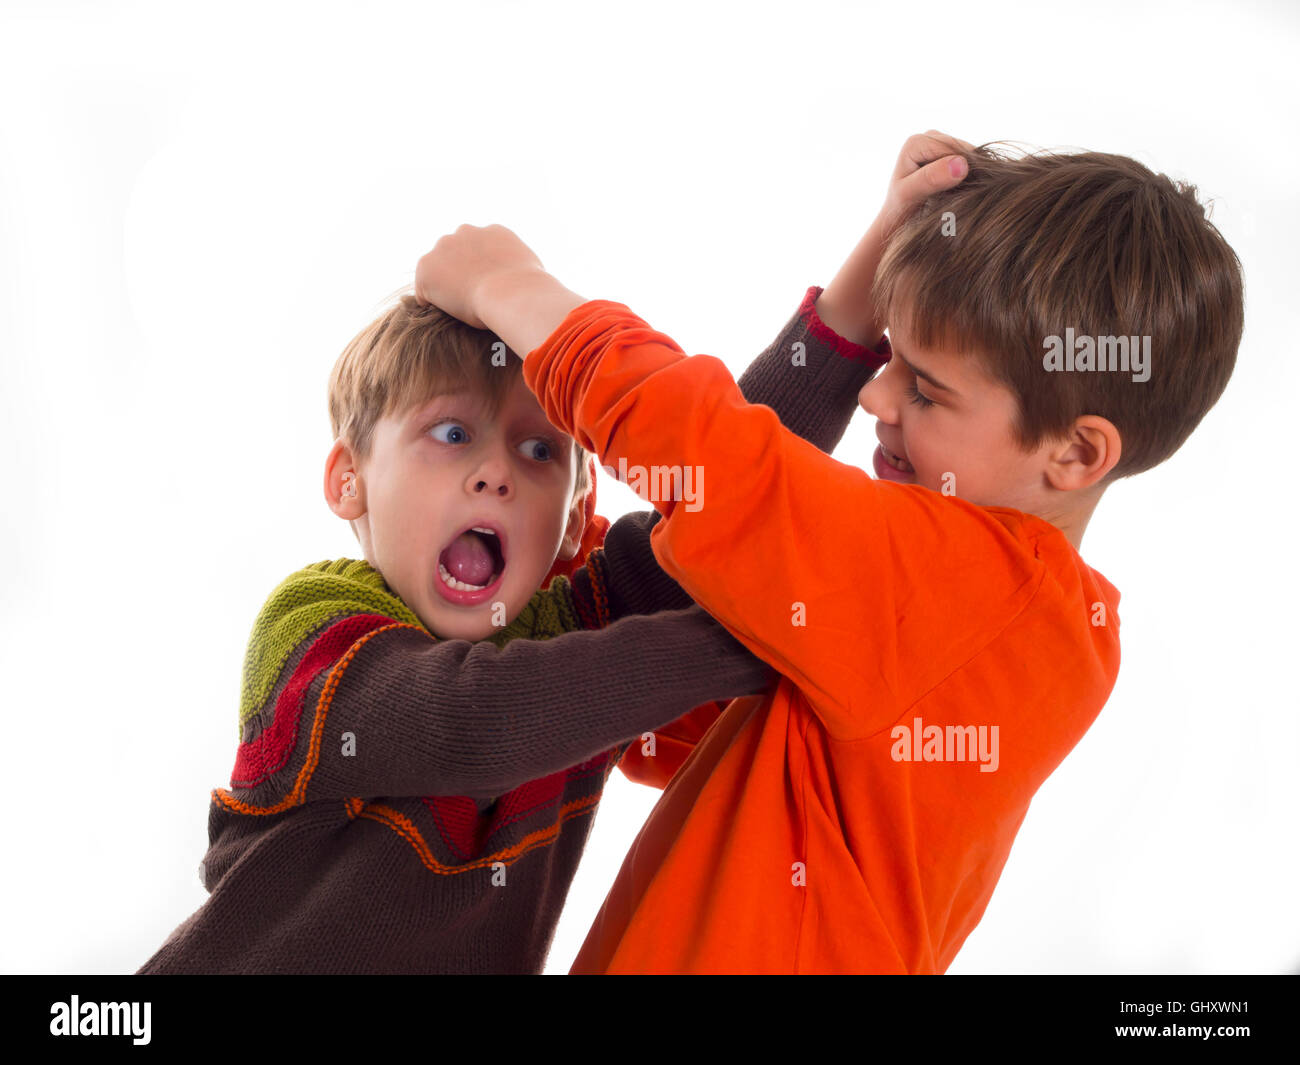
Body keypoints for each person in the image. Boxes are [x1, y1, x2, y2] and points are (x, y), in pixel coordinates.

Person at [413, 131, 1244, 973]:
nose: (878, 394)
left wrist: (506, 287)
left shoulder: (967, 587)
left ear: (1075, 453)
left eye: (925, 388)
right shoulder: (997, 626)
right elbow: (675, 713)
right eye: (890, 362)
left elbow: (721, 464)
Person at [136, 235, 908, 972]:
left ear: (572, 519)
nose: (495, 473)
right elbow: (475, 718)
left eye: (539, 450)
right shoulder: (315, 628)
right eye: (450, 432)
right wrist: (765, 634)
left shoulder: (576, 627)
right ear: (349, 480)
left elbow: (728, 495)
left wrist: (865, 281)